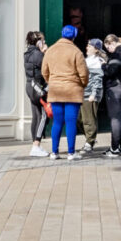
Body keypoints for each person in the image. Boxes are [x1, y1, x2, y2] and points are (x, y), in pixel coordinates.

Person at [40, 25, 89, 159]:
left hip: (55, 90)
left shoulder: (50, 50)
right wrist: (82, 84)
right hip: (72, 91)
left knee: (57, 122)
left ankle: (54, 152)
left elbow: (44, 71)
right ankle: (71, 152)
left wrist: (52, 81)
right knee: (71, 122)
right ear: (73, 36)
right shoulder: (76, 52)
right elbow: (83, 73)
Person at [24, 30, 50, 157]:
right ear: (38, 42)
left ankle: (35, 144)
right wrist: (45, 52)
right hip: (38, 87)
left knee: (36, 115)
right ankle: (36, 146)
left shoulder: (27, 53)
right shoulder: (38, 55)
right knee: (43, 116)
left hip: (29, 86)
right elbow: (48, 67)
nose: (45, 43)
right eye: (43, 40)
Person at [79, 39, 106, 152]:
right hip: (83, 93)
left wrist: (93, 94)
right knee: (79, 119)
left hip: (89, 94)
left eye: (90, 46)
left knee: (88, 119)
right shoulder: (88, 60)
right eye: (87, 45)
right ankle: (90, 139)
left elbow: (97, 79)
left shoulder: (96, 61)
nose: (87, 48)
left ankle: (89, 142)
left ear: (96, 49)